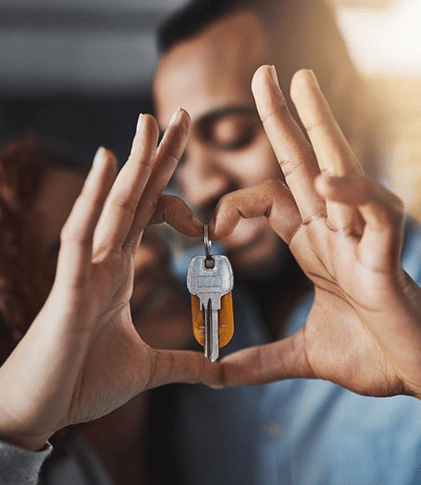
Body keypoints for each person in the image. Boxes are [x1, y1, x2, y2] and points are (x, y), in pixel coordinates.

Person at [151, 0, 421, 482]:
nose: (202, 186)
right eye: (180, 159)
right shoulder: (158, 313)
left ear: (348, 110)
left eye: (234, 134)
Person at [0, 129, 207, 485]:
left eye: (130, 228)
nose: (149, 255)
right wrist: (6, 427)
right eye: (85, 251)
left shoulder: (210, 415)